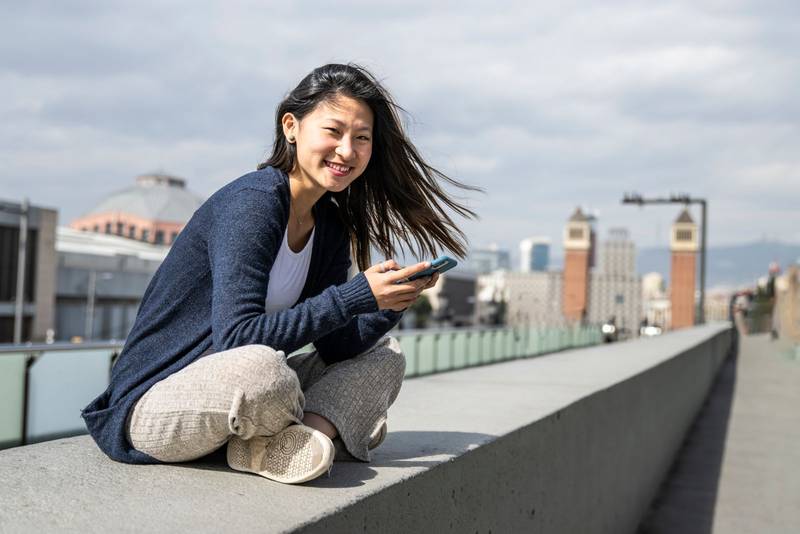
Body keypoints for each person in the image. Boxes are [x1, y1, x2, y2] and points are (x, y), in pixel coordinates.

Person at [81, 63, 478, 485]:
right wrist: (355, 296)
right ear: (292, 126)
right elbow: (236, 339)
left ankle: (292, 442)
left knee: (385, 354)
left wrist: (388, 301)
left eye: (362, 138)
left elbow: (337, 345)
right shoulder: (253, 204)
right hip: (155, 403)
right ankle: (323, 432)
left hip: (239, 396)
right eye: (334, 131)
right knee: (265, 371)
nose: (347, 150)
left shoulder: (329, 224)